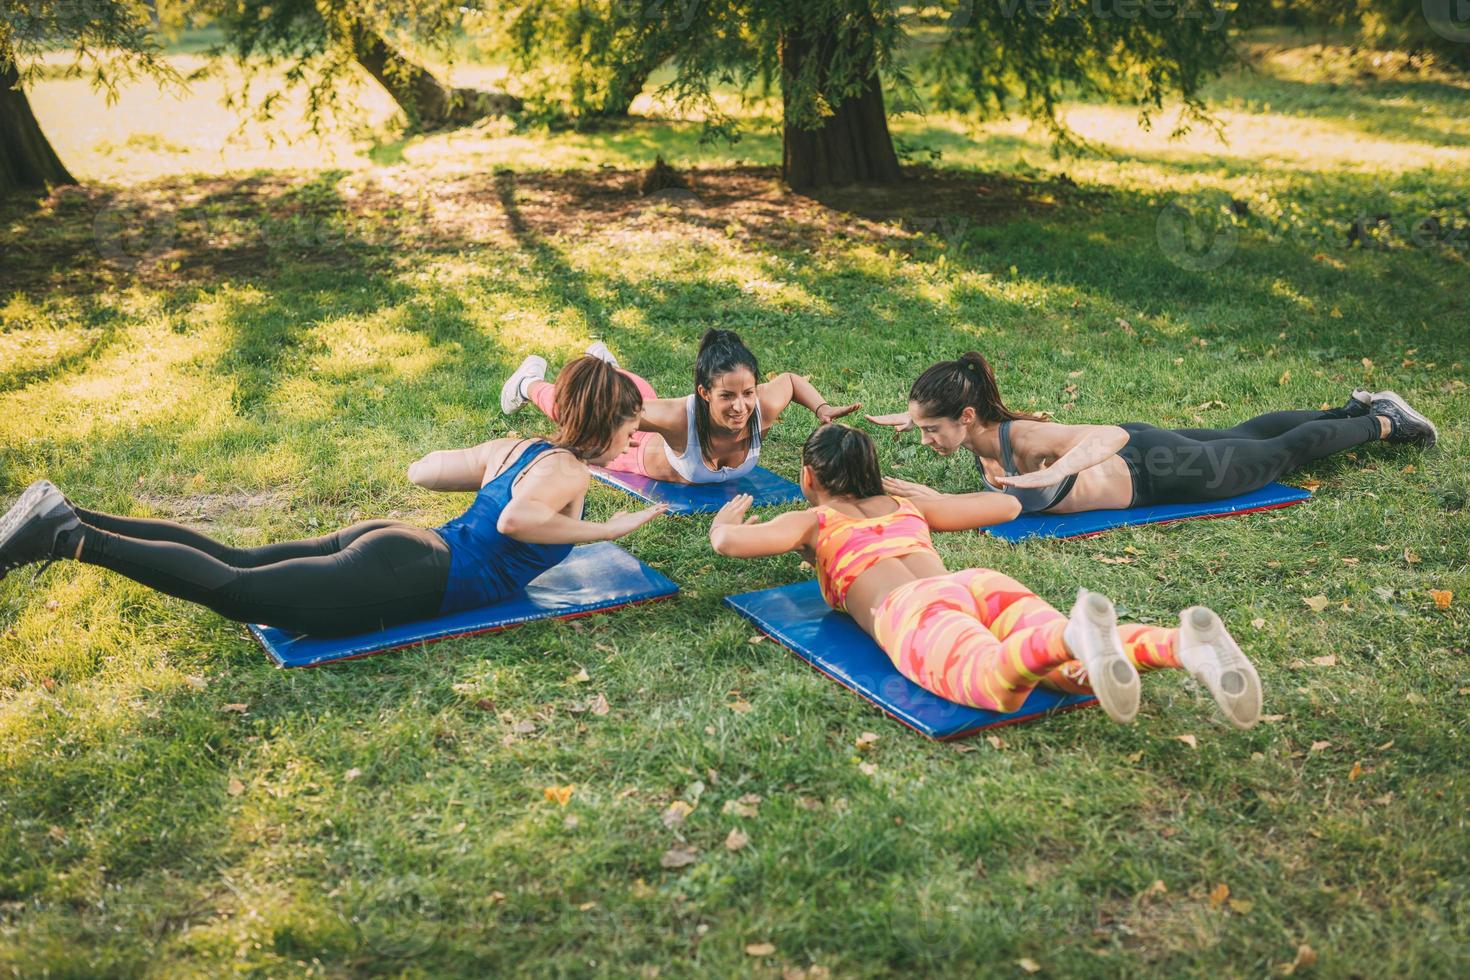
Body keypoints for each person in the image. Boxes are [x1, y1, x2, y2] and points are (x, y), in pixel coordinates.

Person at [0, 358, 666, 637]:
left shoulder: (518, 449)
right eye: (631, 432)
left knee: (237, 558)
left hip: (400, 543)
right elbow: (521, 520)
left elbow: (424, 471)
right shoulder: (572, 475)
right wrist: (604, 532)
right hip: (417, 571)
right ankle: (66, 534)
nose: (631, 444)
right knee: (240, 590)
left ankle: (71, 512)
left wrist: (488, 469)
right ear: (607, 424)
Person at [709, 424, 1263, 728]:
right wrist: (934, 498)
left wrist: (725, 519)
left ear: (808, 477)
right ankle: (1180, 645)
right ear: (876, 475)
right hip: (974, 585)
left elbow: (730, 544)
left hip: (913, 611)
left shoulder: (812, 519)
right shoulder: (911, 510)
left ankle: (1075, 635)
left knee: (994, 682)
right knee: (1065, 674)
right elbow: (1008, 509)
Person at [868, 352, 1439, 515]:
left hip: (1162, 472)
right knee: (1238, 432)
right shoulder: (972, 431)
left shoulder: (1025, 441)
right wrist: (913, 418)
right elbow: (946, 429)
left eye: (931, 429)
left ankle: (1384, 422)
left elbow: (1109, 435)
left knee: (1275, 454)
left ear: (966, 417)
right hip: (1152, 459)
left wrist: (1063, 467)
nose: (925, 440)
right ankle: (1346, 412)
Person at [500, 329, 859, 484]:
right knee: (587, 408)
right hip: (636, 452)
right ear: (704, 393)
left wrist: (822, 409)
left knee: (639, 391)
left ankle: (609, 367)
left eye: (747, 393)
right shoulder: (676, 418)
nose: (740, 407)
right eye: (727, 396)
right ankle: (528, 383)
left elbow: (792, 382)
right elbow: (597, 411)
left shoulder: (761, 406)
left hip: (649, 410)